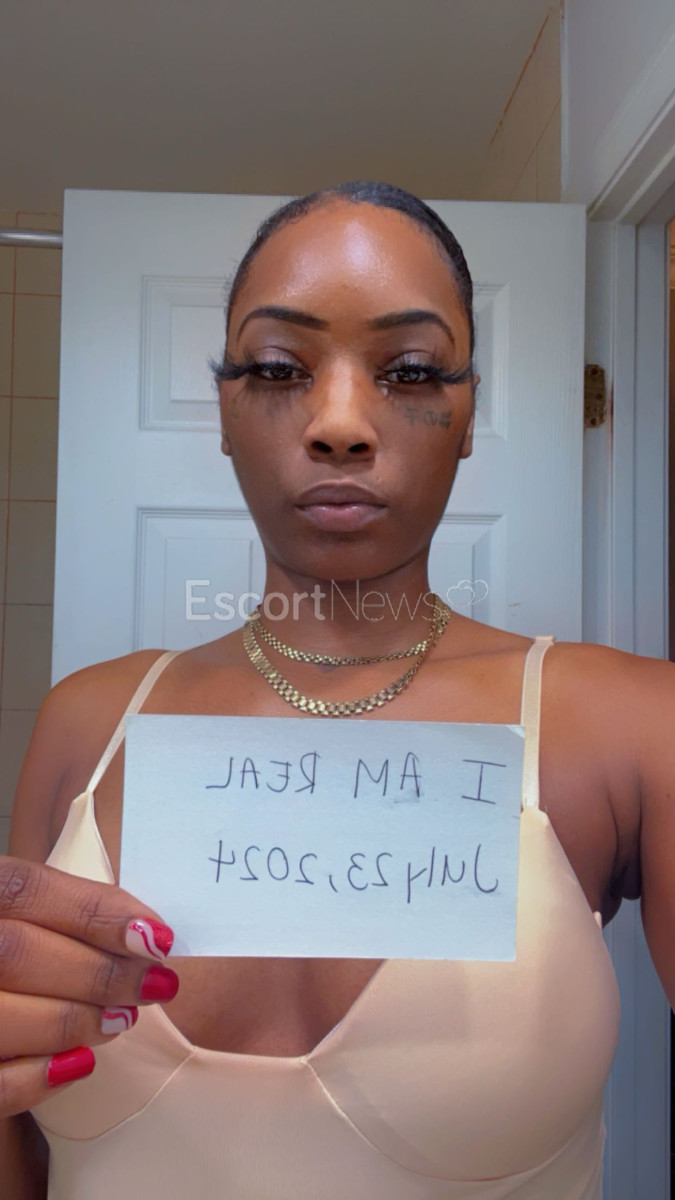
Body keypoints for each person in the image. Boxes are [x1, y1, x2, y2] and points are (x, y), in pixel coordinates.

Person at [0, 180, 672, 1199]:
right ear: (224, 411)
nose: (341, 424)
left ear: (467, 415)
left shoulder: (628, 726)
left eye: (410, 370)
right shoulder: (88, 726)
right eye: (278, 368)